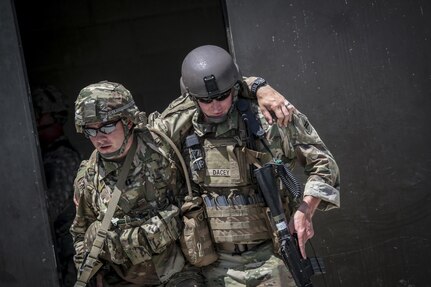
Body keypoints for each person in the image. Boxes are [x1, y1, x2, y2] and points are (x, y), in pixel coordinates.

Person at [70, 76, 294, 287]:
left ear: (128, 121)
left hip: (178, 273)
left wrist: (259, 87)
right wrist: (89, 273)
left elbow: (210, 88)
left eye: (108, 126)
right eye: (91, 130)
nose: (100, 137)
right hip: (125, 278)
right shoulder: (89, 179)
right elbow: (80, 233)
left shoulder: (160, 140)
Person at [151, 45, 340, 286]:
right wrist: (257, 85)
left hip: (272, 256)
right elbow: (146, 140)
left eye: (222, 95)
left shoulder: (267, 118)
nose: (216, 105)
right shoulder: (179, 131)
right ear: (191, 97)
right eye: (205, 99)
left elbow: (324, 163)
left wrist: (306, 210)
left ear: (234, 88)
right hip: (214, 265)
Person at [32, 84, 82, 287]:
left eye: (39, 114)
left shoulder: (63, 157)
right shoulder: (49, 154)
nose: (35, 120)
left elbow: (48, 211)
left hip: (67, 254)